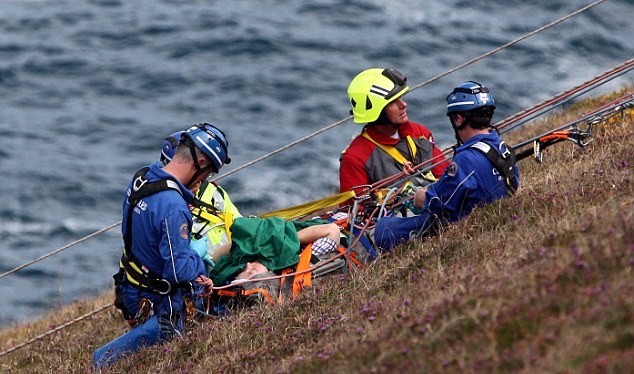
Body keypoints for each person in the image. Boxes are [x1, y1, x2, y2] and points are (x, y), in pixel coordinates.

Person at [93, 123, 231, 369]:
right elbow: (177, 272)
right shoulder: (174, 207)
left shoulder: (143, 176)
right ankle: (103, 359)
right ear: (199, 162)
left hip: (129, 286)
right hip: (154, 297)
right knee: (174, 334)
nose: (206, 180)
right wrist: (199, 264)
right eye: (209, 172)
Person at [159, 131, 342, 287]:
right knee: (270, 237)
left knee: (263, 234)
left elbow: (239, 225)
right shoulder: (168, 206)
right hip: (210, 265)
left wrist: (249, 246)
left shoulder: (213, 192)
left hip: (237, 252)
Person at [373, 81, 520, 251]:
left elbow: (437, 201)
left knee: (383, 228)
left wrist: (420, 195)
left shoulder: (465, 160)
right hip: (484, 215)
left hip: (453, 222)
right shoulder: (503, 148)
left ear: (458, 119)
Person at [339, 67, 450, 197]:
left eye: (400, 98)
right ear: (376, 111)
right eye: (392, 102)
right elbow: (356, 210)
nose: (403, 104)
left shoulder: (419, 133)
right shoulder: (355, 158)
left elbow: (445, 176)